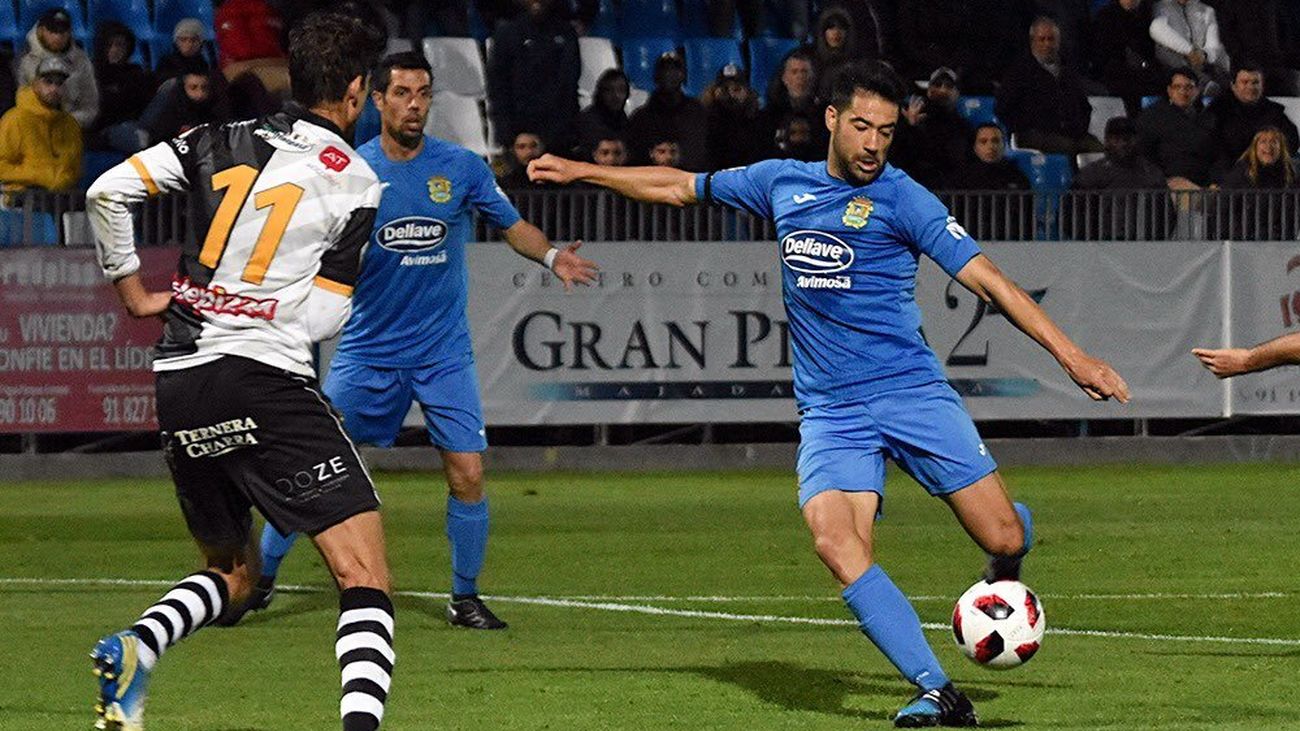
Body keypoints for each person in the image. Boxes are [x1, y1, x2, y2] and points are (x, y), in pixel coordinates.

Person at [527, 60, 1129, 728]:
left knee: (1002, 533)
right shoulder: (780, 182)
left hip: (911, 394)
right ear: (832, 120)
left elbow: (990, 280)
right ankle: (938, 690)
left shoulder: (905, 199)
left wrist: (1073, 356)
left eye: (887, 132)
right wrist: (581, 171)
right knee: (835, 541)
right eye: (863, 127)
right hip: (832, 412)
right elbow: (678, 186)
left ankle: (1011, 543)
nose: (874, 144)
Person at [84, 12, 394, 731]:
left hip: (181, 377)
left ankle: (137, 646)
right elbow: (322, 319)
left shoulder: (212, 138)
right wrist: (267, 308)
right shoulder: (356, 179)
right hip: (262, 376)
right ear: (355, 91)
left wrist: (132, 290)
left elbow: (105, 193)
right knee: (364, 575)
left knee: (236, 576)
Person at [249, 52, 598, 632]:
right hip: (367, 352)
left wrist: (552, 256)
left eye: (424, 93)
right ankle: (260, 579)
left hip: (443, 355)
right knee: (315, 469)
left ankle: (465, 597)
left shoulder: (459, 167)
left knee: (468, 472)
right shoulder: (350, 170)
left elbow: (512, 225)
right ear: (378, 100)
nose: (415, 105)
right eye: (403, 93)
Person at [995, 16, 1101, 156]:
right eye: (1042, 39)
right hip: (1034, 135)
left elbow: (1084, 106)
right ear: (1032, 42)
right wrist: (1026, 126)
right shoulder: (1018, 73)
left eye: (1051, 39)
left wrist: (1080, 128)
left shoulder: (1068, 71)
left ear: (1058, 41)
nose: (1047, 44)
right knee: (1067, 148)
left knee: (1100, 149)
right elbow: (1004, 108)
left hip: (1073, 134)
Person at [486, 0, 580, 153]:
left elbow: (569, 86)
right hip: (518, 138)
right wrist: (509, 136)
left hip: (558, 136)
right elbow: (498, 88)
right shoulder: (507, 33)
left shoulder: (566, 33)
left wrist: (560, 134)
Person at [0, 56, 82, 192]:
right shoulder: (15, 119)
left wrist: (61, 180)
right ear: (35, 84)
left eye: (59, 83)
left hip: (60, 196)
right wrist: (39, 176)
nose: (54, 88)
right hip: (22, 195)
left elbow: (75, 169)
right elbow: (2, 166)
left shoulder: (70, 125)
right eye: (48, 82)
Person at [1208, 64, 1299, 178]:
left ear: (1262, 85)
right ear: (1233, 86)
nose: (1250, 87)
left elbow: (1292, 141)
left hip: (1269, 172)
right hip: (1229, 175)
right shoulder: (1217, 111)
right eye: (1245, 82)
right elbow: (1209, 149)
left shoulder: (1274, 111)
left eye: (1255, 82)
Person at [624, 52, 708, 170]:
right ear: (656, 76)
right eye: (665, 70)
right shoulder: (641, 118)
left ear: (683, 75)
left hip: (691, 177)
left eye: (675, 70)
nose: (670, 75)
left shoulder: (697, 111)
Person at [891, 67, 971, 188]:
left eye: (949, 86)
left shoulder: (963, 127)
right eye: (937, 85)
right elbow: (901, 155)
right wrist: (910, 127)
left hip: (950, 187)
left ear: (957, 93)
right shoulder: (911, 118)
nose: (942, 90)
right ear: (929, 90)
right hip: (916, 184)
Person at [17, 8, 98, 128]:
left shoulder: (81, 61)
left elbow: (90, 105)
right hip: (35, 126)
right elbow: (21, 100)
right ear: (41, 30)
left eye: (62, 32)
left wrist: (67, 122)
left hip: (71, 126)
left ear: (69, 33)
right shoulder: (26, 60)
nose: (57, 37)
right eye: (52, 31)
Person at [1136, 66, 1217, 187]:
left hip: (1205, 185)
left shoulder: (1209, 118)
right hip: (1166, 186)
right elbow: (1144, 156)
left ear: (1197, 91)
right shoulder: (1152, 117)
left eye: (1189, 87)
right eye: (1177, 87)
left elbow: (1216, 155)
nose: (1183, 92)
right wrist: (1165, 181)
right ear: (1169, 90)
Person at [1216, 127, 1299, 240]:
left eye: (1274, 142)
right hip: (1244, 240)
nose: (1268, 146)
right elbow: (1224, 207)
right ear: (1255, 147)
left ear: (1281, 147)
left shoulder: (1291, 174)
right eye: (1263, 141)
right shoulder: (1240, 172)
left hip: (1280, 240)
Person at [1091, 0, 1166, 116]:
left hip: (1150, 68)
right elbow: (1102, 56)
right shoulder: (1105, 17)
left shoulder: (1152, 12)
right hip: (1118, 73)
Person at [88, 22, 153, 153]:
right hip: (103, 129)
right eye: (109, 45)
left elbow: (144, 106)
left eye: (120, 45)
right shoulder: (90, 72)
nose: (114, 50)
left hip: (135, 125)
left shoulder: (136, 73)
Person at [703, 64, 771, 170]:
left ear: (747, 91)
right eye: (725, 89)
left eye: (736, 89)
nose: (731, 95)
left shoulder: (760, 120)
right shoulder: (705, 121)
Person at [1150, 0, 1229, 87]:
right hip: (1173, 73)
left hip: (1204, 69)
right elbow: (1157, 29)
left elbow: (1213, 45)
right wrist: (1189, 51)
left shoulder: (1207, 11)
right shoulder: (1162, 6)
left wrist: (1204, 55)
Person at [1074, 117, 1168, 189]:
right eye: (1116, 139)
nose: (1123, 144)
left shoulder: (1152, 174)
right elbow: (1073, 207)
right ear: (1106, 141)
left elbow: (1164, 208)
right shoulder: (1091, 174)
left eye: (1127, 139)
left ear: (1136, 140)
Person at [575, 68, 629, 157]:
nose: (616, 95)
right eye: (609, 90)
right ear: (601, 93)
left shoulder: (624, 121)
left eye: (621, 90)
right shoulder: (587, 122)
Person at [154, 18, 210, 83]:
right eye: (183, 40)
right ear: (176, 42)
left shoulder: (202, 63)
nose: (189, 44)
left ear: (200, 43)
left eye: (194, 40)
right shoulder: (166, 63)